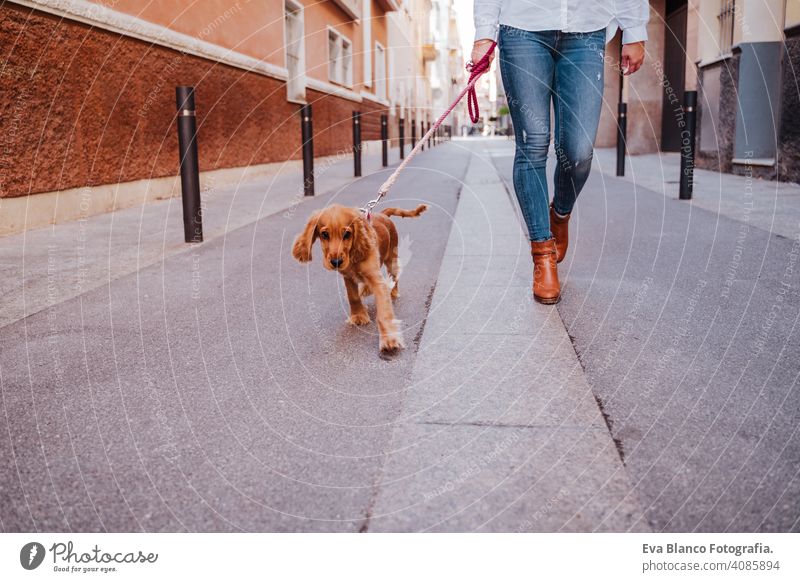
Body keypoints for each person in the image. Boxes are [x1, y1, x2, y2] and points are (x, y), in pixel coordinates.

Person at [472, 0, 649, 304]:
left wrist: (634, 29)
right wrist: (484, 33)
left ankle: (560, 213)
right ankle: (543, 254)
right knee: (533, 142)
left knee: (578, 151)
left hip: (587, 28)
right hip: (522, 27)